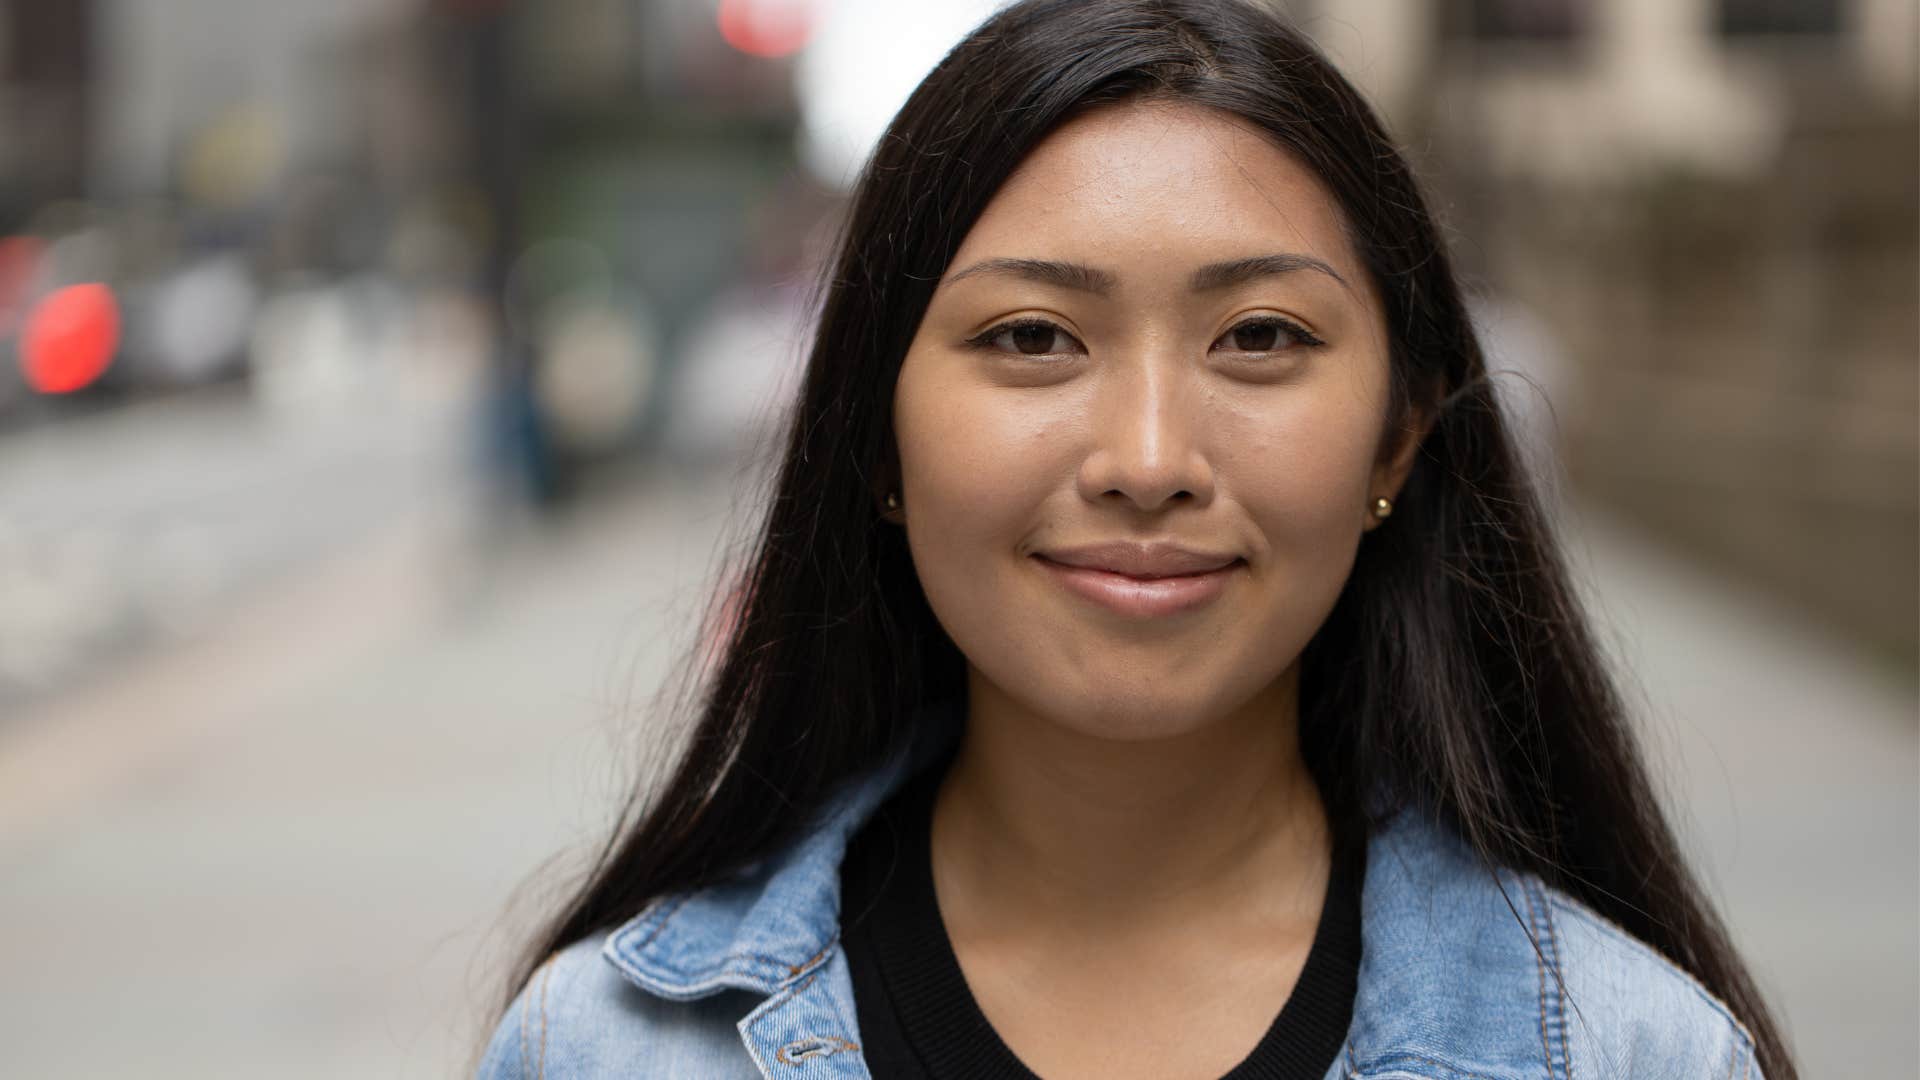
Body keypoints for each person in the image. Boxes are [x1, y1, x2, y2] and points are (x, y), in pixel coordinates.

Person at [478, 1, 1795, 1076]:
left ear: (1399, 435)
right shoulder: (599, 1048)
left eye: (1262, 338)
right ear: (875, 437)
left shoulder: (1636, 1052)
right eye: (1033, 340)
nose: (1150, 461)